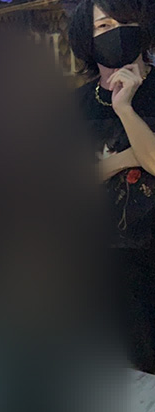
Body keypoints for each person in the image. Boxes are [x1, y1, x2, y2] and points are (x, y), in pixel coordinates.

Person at [69, 0, 155, 373]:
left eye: (125, 21)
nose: (116, 32)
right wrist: (124, 159)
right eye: (103, 26)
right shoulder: (75, 105)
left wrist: (125, 109)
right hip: (102, 265)